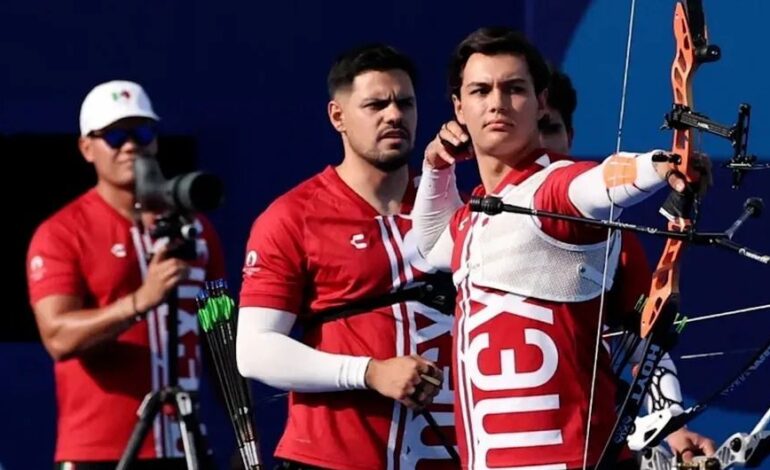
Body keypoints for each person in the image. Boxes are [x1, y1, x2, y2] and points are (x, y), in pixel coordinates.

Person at [411, 27, 713, 469]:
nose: (497, 103)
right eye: (481, 90)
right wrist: (435, 164)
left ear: (540, 102)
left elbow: (601, 182)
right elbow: (428, 246)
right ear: (459, 107)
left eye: (515, 89)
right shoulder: (475, 216)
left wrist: (660, 166)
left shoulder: (554, 188)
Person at [235, 44, 456, 470]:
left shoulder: (450, 202)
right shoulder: (291, 217)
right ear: (338, 116)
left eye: (404, 103)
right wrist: (370, 372)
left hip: (445, 453)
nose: (394, 115)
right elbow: (254, 351)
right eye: (376, 104)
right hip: (331, 459)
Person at [26, 80, 226, 470]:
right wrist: (140, 301)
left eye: (142, 131)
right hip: (99, 451)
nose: (131, 145)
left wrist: (243, 438)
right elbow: (57, 337)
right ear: (87, 148)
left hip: (185, 448)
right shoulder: (63, 231)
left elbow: (219, 333)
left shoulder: (196, 228)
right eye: (115, 135)